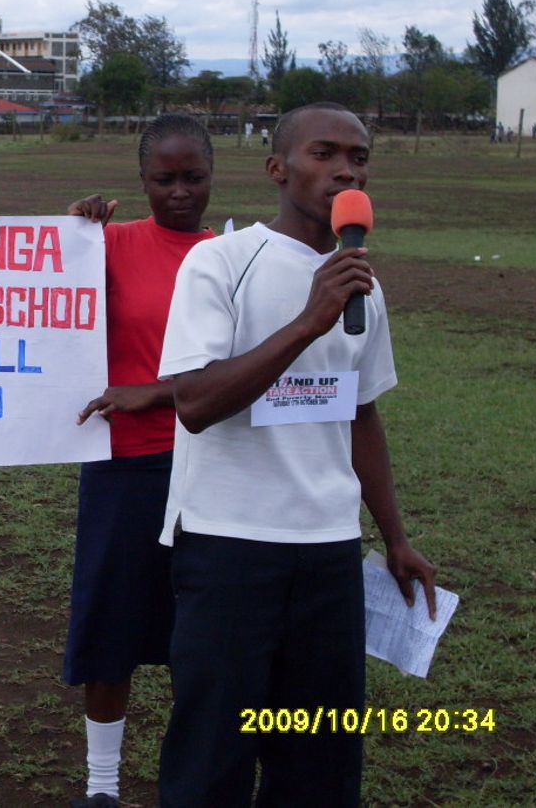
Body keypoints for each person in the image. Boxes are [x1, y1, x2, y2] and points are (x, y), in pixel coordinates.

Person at [155, 103, 437, 806]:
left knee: (319, 759)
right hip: (227, 544)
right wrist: (309, 321)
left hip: (328, 552)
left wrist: (395, 536)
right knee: (213, 751)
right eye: (325, 153)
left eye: (360, 156)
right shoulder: (219, 261)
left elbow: (360, 412)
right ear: (278, 169)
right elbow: (194, 401)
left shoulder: (360, 281)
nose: (346, 168)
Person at [64, 114, 217, 808]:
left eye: (193, 178)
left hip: (212, 467)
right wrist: (73, 237)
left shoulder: (232, 258)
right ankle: (102, 785)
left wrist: (150, 392)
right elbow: (43, 300)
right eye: (165, 179)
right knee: (112, 628)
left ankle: (193, 780)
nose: (180, 192)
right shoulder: (110, 243)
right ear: (143, 181)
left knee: (204, 637)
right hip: (123, 465)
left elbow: (234, 371)